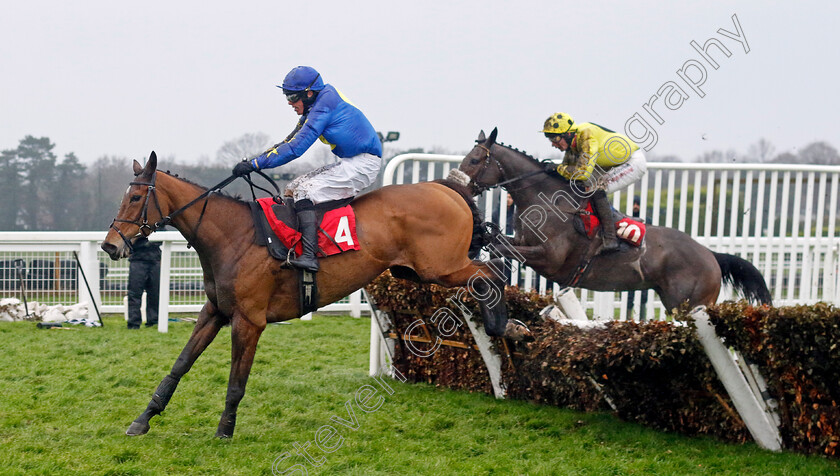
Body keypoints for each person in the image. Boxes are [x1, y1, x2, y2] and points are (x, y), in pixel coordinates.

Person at [232, 66, 383, 272]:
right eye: (287, 96)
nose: (289, 103)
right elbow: (289, 140)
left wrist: (256, 165)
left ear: (309, 93)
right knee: (294, 187)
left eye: (293, 97)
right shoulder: (318, 104)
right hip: (352, 161)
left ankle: (310, 256)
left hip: (363, 164)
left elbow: (295, 148)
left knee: (305, 191)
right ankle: (297, 244)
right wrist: (253, 161)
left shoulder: (323, 108)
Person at [541, 112, 647, 252]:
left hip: (632, 162)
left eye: (554, 139)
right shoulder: (572, 145)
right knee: (581, 187)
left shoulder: (585, 134)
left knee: (596, 189)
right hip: (612, 165)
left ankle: (610, 238)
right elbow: (567, 175)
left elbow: (583, 173)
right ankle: (615, 223)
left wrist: (558, 168)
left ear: (567, 134)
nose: (553, 144)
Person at [127, 236, 161, 329]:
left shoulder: (157, 223)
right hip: (138, 260)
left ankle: (153, 321)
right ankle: (134, 323)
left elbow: (161, 238)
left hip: (154, 260)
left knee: (155, 293)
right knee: (134, 293)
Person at [625, 196, 650, 320]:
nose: (636, 207)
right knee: (630, 291)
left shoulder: (647, 221)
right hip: (631, 256)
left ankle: (642, 318)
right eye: (634, 204)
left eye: (638, 204)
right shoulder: (627, 219)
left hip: (643, 258)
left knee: (644, 291)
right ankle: (628, 317)